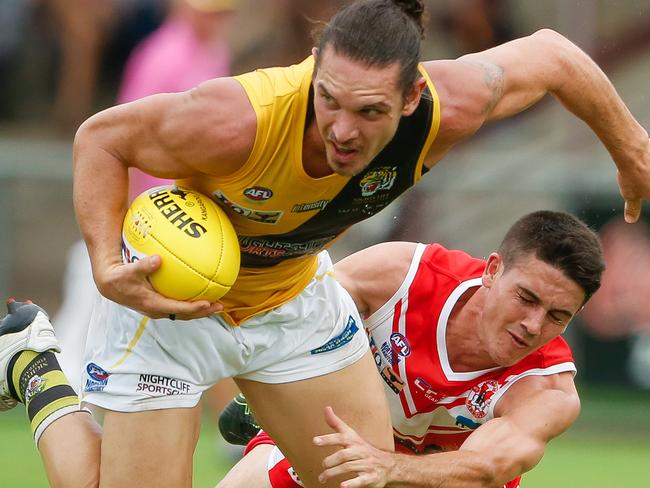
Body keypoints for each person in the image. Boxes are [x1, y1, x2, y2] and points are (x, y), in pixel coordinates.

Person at [2, 0, 649, 486]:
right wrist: (105, 262)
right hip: (174, 310)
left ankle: (266, 414)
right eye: (328, 101)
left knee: (358, 480)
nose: (341, 130)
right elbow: (100, 138)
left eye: (368, 112)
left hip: (290, 298)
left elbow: (556, 55)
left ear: (411, 98)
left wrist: (631, 149)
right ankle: (31, 360)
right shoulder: (235, 120)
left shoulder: (446, 109)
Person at [217, 210, 605, 488]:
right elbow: (297, 316)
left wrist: (387, 467)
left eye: (558, 316)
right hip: (346, 443)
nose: (534, 326)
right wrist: (269, 390)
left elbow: (485, 468)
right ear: (492, 270)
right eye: (526, 297)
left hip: (445, 480)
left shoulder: (548, 390)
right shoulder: (399, 276)